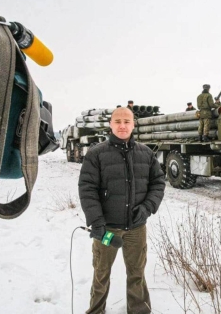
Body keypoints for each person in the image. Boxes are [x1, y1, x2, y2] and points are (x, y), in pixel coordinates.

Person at [78, 107, 166, 314]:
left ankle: (139, 311)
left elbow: (158, 183)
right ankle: (96, 311)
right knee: (101, 274)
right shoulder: (96, 154)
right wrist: (96, 222)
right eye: (118, 121)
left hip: (137, 228)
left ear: (133, 124)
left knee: (137, 273)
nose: (122, 125)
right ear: (110, 124)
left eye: (127, 121)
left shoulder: (146, 153)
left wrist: (147, 208)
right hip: (107, 228)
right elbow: (87, 189)